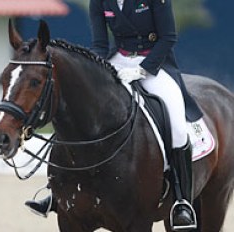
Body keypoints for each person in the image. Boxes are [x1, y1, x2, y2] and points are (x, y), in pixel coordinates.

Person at [26, 0, 203, 230]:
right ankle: (56, 191)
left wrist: (142, 69)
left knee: (178, 128)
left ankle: (181, 200)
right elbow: (100, 43)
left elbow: (168, 38)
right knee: (80, 110)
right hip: (117, 59)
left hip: (155, 64)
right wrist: (95, 69)